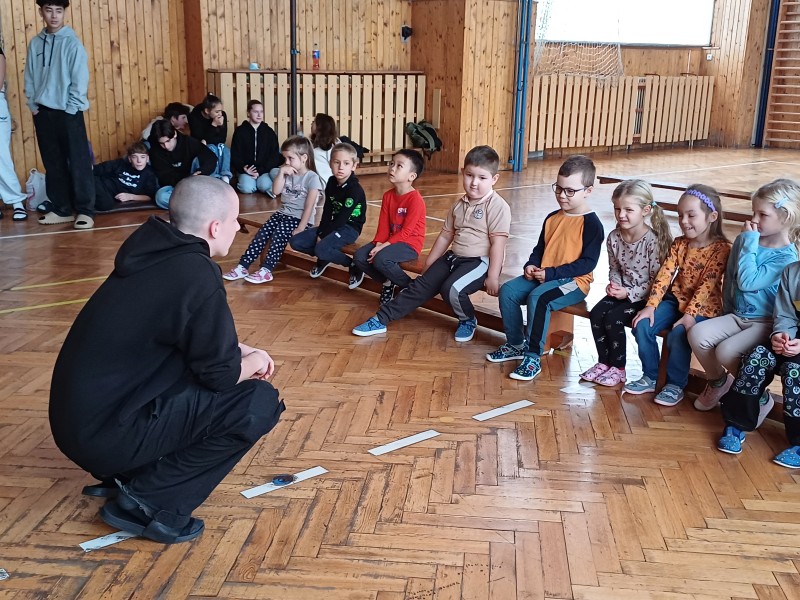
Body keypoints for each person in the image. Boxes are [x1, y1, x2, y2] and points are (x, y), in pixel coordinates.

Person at [48, 176, 284, 544]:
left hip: (82, 425)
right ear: (215, 227)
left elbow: (180, 332)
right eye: (235, 221)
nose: (237, 228)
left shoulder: (154, 252)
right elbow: (221, 376)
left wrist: (240, 350)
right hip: (106, 435)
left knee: (206, 378)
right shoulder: (197, 273)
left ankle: (130, 475)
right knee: (257, 403)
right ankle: (150, 503)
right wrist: (256, 361)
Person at [352, 145, 510, 342]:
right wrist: (429, 263)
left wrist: (493, 276)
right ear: (463, 172)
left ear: (494, 179)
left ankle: (468, 319)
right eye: (470, 175)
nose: (474, 183)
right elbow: (444, 237)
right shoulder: (458, 205)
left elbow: (498, 244)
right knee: (419, 286)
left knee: (451, 288)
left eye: (482, 178)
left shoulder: (498, 206)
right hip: (454, 257)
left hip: (478, 262)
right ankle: (381, 319)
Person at [486, 155, 604, 381]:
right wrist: (531, 264)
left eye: (570, 191)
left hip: (574, 283)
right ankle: (515, 344)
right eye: (558, 188)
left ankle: (533, 356)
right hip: (545, 275)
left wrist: (551, 273)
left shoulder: (592, 224)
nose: (562, 195)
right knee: (508, 291)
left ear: (588, 191)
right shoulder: (552, 217)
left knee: (539, 298)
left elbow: (587, 264)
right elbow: (540, 249)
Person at [689, 179, 800, 411]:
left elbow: (748, 282)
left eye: (763, 214)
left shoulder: (786, 257)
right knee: (698, 334)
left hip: (764, 322)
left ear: (786, 218)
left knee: (726, 351)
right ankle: (719, 382)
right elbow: (731, 279)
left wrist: (750, 241)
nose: (754, 220)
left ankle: (758, 395)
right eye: (753, 212)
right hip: (736, 315)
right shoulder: (743, 240)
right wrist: (727, 311)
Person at [627, 185, 731, 405]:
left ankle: (675, 384)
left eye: (691, 215)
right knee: (642, 324)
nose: (684, 221)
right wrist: (650, 305)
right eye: (680, 215)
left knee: (679, 334)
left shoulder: (721, 249)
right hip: (675, 300)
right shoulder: (680, 243)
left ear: (712, 217)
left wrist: (690, 315)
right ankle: (651, 375)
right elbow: (665, 275)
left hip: (703, 308)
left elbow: (707, 285)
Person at [579, 180, 672, 387]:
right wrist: (614, 285)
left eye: (628, 210)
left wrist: (628, 293)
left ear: (645, 211)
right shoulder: (614, 237)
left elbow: (657, 281)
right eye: (617, 209)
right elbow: (614, 268)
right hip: (622, 292)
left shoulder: (652, 241)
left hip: (646, 297)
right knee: (596, 313)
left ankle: (618, 368)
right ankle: (604, 362)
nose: (621, 215)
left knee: (614, 318)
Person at [717, 262, 800, 464]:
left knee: (795, 370)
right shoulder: (792, 271)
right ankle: (736, 423)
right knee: (757, 357)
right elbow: (785, 314)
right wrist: (781, 335)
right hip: (793, 338)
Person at [24, 0, 96, 229]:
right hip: (42, 112)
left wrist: (71, 108)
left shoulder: (72, 43)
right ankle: (62, 209)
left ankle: (85, 211)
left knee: (79, 162)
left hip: (68, 112)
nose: (54, 15)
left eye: (59, 10)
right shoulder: (35, 43)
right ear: (41, 12)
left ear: (64, 12)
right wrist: (33, 105)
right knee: (53, 163)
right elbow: (30, 76)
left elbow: (79, 79)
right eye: (49, 10)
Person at [223, 136, 322, 284]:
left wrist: (301, 227)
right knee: (261, 235)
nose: (286, 162)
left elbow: (309, 206)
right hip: (282, 214)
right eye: (285, 158)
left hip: (299, 219)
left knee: (278, 236)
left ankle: (266, 270)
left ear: (304, 158)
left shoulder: (312, 178)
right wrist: (281, 173)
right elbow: (275, 191)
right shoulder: (287, 173)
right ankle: (243, 266)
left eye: (290, 158)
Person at [350, 149, 427, 303]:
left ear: (412, 176)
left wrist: (383, 247)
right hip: (390, 241)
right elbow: (383, 226)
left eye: (399, 166)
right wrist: (379, 243)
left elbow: (406, 232)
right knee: (359, 257)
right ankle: (387, 282)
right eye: (392, 163)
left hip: (409, 244)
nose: (392, 168)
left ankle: (410, 286)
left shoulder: (415, 200)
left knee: (381, 259)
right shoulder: (388, 196)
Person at [289, 142, 366, 277]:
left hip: (350, 228)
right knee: (296, 242)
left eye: (346, 163)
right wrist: (321, 231)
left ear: (354, 166)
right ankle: (325, 256)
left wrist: (323, 235)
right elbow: (327, 210)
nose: (341, 167)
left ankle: (353, 264)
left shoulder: (354, 190)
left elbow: (342, 219)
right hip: (333, 224)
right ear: (330, 163)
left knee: (321, 248)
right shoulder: (331, 182)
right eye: (336, 162)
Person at [148, 120, 217, 209]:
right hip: (177, 186)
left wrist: (200, 172)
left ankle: (192, 204)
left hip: (197, 183)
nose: (166, 146)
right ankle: (200, 204)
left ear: (175, 134)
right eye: (162, 143)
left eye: (168, 141)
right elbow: (165, 177)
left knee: (201, 158)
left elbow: (211, 158)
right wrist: (187, 179)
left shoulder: (188, 142)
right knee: (160, 197)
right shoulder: (155, 151)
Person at [231, 99, 281, 197]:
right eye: (255, 112)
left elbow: (274, 156)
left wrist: (260, 171)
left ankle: (258, 184)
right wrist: (243, 168)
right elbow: (235, 153)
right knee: (246, 188)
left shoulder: (269, 132)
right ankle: (251, 183)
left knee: (265, 186)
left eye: (261, 112)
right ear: (248, 113)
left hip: (264, 171)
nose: (259, 115)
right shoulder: (240, 131)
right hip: (246, 170)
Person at [93, 141, 159, 211]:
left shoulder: (149, 173)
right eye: (134, 157)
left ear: (147, 159)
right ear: (130, 159)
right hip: (99, 184)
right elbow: (99, 168)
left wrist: (130, 196)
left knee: (106, 205)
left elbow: (149, 196)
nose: (139, 161)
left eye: (142, 157)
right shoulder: (120, 163)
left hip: (108, 195)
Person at [189, 93, 232, 183]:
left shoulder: (222, 115)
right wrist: (214, 125)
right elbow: (198, 139)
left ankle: (225, 176)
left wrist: (207, 139)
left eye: (221, 111)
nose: (220, 114)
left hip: (216, 144)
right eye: (217, 112)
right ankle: (214, 177)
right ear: (207, 111)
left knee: (223, 148)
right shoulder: (195, 116)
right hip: (201, 147)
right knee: (211, 148)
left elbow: (222, 138)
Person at [309, 113, 339, 186]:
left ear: (320, 126)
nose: (311, 123)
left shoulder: (316, 151)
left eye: (314, 122)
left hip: (324, 185)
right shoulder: (336, 142)